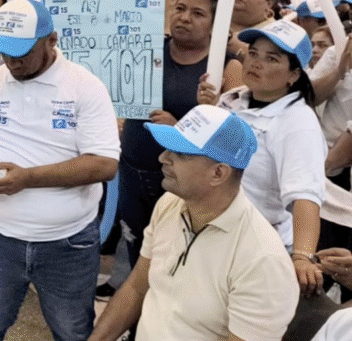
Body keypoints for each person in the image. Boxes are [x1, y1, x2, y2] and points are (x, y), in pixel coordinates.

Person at [0, 0, 120, 341]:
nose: (12, 61)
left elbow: (104, 164)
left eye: (22, 53)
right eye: (4, 52)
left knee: (72, 331)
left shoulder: (84, 87)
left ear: (52, 40)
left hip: (67, 244)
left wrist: (28, 178)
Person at [89, 105, 300, 341]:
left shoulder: (262, 260)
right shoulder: (170, 204)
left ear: (218, 173)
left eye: (180, 154)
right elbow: (136, 287)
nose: (163, 158)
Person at [117, 0, 244, 267]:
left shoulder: (228, 67)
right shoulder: (147, 50)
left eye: (198, 13)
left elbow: (234, 140)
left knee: (174, 259)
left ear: (215, 24)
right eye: (180, 8)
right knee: (137, 251)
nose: (184, 18)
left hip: (181, 184)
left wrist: (181, 128)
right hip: (132, 174)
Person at [200, 19, 328, 298]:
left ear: (294, 74)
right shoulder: (233, 99)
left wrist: (302, 257)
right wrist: (206, 112)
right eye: (253, 53)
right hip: (215, 234)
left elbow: (305, 196)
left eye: (272, 58)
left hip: (258, 247)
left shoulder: (298, 123)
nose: (256, 63)